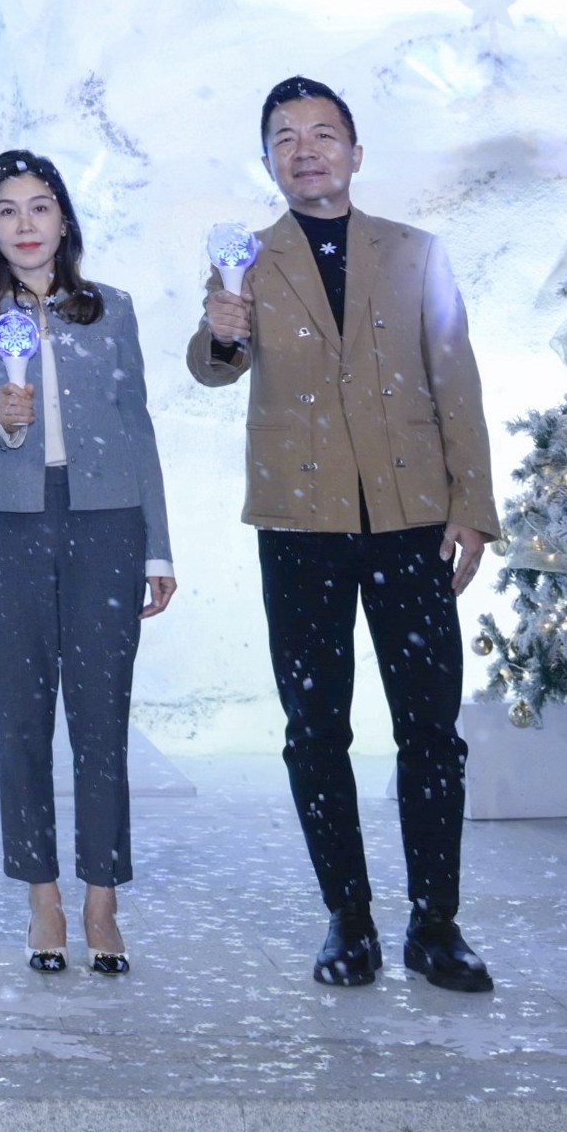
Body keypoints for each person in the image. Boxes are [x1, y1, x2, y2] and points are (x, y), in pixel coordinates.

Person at [190, 75, 498, 992]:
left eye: (322, 134)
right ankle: (349, 920)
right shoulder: (243, 259)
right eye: (285, 138)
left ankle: (435, 925)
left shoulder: (415, 252)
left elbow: (455, 379)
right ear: (268, 162)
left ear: (355, 154)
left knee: (429, 731)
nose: (305, 151)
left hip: (411, 522)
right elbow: (214, 367)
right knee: (314, 729)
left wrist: (471, 507)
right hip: (301, 526)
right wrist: (221, 330)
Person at [0, 149, 174, 975]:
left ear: (63, 219)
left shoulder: (110, 309)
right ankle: (41, 897)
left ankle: (102, 899)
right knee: (21, 720)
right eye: (6, 211)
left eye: (39, 206)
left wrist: (156, 543)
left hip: (106, 524)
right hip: (3, 526)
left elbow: (135, 423)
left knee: (102, 720)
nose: (25, 224)